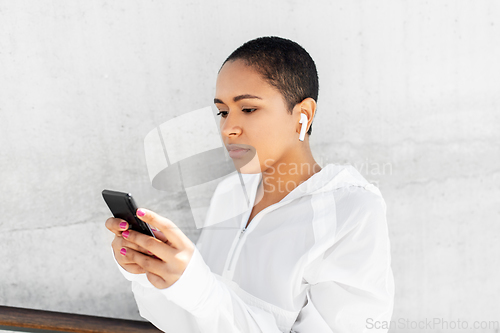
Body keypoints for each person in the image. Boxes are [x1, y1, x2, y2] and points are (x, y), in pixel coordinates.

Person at [105, 36, 394, 332]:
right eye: (223, 111)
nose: (228, 128)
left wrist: (199, 289)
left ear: (303, 116)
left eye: (249, 109)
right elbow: (189, 321)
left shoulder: (352, 211)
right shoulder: (229, 193)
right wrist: (150, 271)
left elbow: (208, 301)